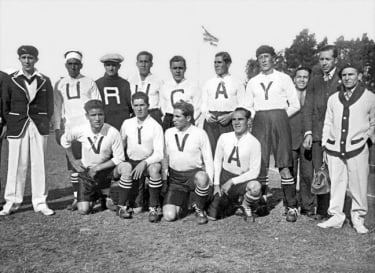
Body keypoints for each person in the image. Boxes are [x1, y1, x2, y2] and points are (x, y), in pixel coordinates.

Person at [317, 64, 375, 234]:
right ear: (340, 77)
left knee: (358, 184)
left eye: (351, 74)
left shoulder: (370, 97)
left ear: (359, 76)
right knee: (336, 183)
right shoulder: (334, 98)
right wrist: (325, 144)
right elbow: (328, 121)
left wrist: (365, 138)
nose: (348, 78)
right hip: (334, 148)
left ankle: (358, 218)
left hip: (357, 147)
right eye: (344, 75)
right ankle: (336, 216)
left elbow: (374, 122)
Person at [245, 45, 300, 222]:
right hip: (260, 121)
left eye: (266, 56)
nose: (263, 60)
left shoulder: (283, 78)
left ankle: (291, 206)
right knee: (259, 163)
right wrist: (256, 117)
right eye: (260, 57)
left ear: (274, 59)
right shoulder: (253, 81)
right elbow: (247, 106)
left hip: (279, 120)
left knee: (284, 164)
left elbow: (295, 104)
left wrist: (281, 117)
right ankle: (259, 202)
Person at [0, 45, 54, 216]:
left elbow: (50, 104)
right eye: (24, 58)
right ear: (19, 60)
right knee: (16, 164)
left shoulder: (44, 79)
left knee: (39, 164)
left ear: (36, 59)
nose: (27, 61)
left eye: (30, 57)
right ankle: (12, 202)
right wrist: (10, 121)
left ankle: (40, 202)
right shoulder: (11, 79)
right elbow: (5, 104)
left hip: (38, 124)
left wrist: (44, 119)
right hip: (18, 124)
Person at [60, 100, 127, 215]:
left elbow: (119, 158)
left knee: (111, 205)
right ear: (87, 116)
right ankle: (97, 195)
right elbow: (64, 140)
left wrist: (98, 168)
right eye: (93, 115)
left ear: (104, 115)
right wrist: (72, 160)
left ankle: (105, 194)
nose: (97, 118)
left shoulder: (112, 132)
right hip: (88, 174)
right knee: (83, 210)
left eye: (100, 114)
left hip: (106, 172)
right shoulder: (81, 129)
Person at [54, 50, 102, 211]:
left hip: (87, 130)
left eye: (76, 64)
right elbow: (57, 108)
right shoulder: (59, 84)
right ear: (66, 65)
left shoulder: (89, 82)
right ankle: (77, 198)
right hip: (70, 129)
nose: (73, 67)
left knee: (90, 162)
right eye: (70, 64)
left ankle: (93, 196)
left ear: (81, 65)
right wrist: (57, 128)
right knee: (74, 165)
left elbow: (98, 104)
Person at [303, 45, 341, 220]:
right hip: (318, 134)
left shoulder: (343, 78)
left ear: (335, 60)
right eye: (322, 59)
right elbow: (308, 108)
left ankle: (337, 211)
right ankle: (322, 210)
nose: (324, 62)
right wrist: (309, 132)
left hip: (339, 134)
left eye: (328, 59)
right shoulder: (315, 81)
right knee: (321, 172)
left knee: (338, 173)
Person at [207, 107, 265, 220]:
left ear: (248, 121)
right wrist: (216, 184)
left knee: (255, 187)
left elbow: (254, 172)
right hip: (224, 178)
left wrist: (232, 181)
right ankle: (234, 204)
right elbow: (217, 161)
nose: (236, 123)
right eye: (234, 119)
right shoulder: (224, 137)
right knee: (212, 216)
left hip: (241, 181)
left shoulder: (254, 142)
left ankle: (246, 204)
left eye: (240, 119)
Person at [163, 101, 213, 224]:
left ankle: (200, 209)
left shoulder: (200, 133)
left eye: (177, 116)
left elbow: (208, 159)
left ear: (188, 118)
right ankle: (188, 201)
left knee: (202, 177)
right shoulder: (169, 132)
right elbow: (165, 156)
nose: (173, 119)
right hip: (176, 179)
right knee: (169, 216)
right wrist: (165, 179)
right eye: (173, 116)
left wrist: (210, 182)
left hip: (193, 176)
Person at [117, 92, 164, 222]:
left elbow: (160, 153)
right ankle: (122, 207)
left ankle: (154, 207)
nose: (139, 108)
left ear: (148, 106)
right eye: (136, 105)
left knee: (155, 170)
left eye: (142, 105)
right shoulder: (127, 123)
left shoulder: (155, 126)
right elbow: (120, 146)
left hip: (148, 163)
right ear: (132, 106)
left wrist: (144, 163)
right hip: (132, 163)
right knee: (137, 210)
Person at [201, 52, 247, 156]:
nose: (216, 65)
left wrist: (231, 116)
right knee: (211, 152)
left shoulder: (237, 82)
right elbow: (203, 104)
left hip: (229, 121)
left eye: (219, 62)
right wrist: (207, 115)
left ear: (228, 64)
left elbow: (243, 105)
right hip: (211, 121)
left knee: (229, 152)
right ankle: (212, 172)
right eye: (215, 62)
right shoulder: (208, 83)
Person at [289, 67, 315, 217]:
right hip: (290, 138)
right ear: (294, 79)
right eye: (299, 77)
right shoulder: (287, 95)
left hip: (307, 139)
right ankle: (290, 205)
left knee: (307, 174)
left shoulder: (312, 95)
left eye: (305, 77)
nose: (302, 80)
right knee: (289, 172)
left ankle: (307, 206)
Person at [160, 55, 201, 130]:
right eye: (175, 68)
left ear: (185, 69)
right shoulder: (165, 86)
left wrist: (189, 120)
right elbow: (163, 106)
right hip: (169, 120)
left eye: (180, 68)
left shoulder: (193, 86)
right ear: (170, 69)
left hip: (186, 120)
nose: (178, 71)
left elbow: (197, 107)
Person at [96, 53, 133, 131]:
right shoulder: (98, 83)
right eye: (108, 65)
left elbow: (130, 105)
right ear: (104, 66)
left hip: (122, 123)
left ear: (119, 66)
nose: (111, 68)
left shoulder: (125, 83)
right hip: (105, 123)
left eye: (114, 65)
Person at [128, 51, 163, 126]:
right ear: (137, 64)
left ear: (151, 64)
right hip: (136, 114)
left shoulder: (158, 80)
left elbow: (162, 102)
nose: (143, 65)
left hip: (153, 114)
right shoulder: (131, 80)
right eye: (141, 62)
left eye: (146, 62)